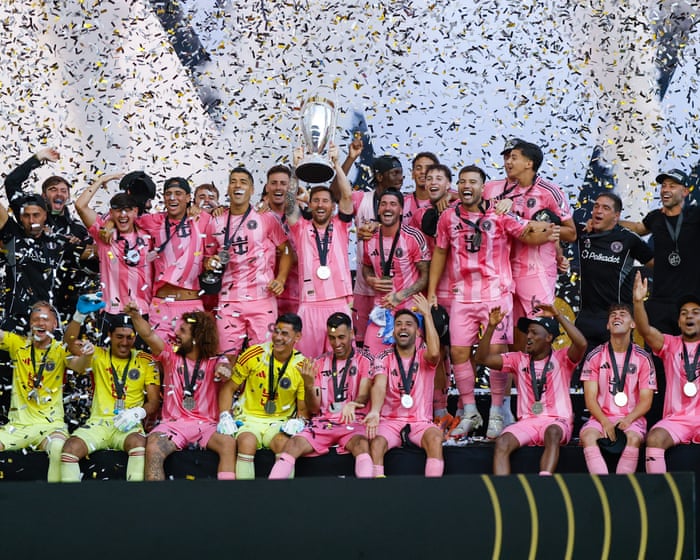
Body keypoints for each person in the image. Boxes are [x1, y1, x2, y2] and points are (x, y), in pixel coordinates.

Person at [428, 165, 558, 440]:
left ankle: (498, 412)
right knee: (459, 353)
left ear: (482, 187)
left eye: (473, 182)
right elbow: (440, 252)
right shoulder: (448, 217)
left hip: (495, 295)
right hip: (463, 296)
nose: (467, 186)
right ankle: (470, 412)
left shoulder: (499, 214)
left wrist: (550, 232)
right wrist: (431, 292)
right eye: (462, 181)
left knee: (497, 353)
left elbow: (527, 233)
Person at [124, 303, 236, 481]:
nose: (176, 333)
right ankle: (155, 496)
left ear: (197, 337)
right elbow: (148, 335)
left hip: (207, 426)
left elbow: (226, 369)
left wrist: (224, 371)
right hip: (173, 425)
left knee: (228, 444)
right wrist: (135, 316)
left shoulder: (215, 360)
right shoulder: (170, 354)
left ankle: (228, 494)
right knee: (153, 447)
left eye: (183, 330)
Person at [484, 138, 576, 349]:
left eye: (514, 158)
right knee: (517, 334)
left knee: (539, 330)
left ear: (529, 163)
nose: (508, 162)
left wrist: (542, 228)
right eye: (507, 158)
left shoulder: (549, 191)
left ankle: (542, 371)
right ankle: (522, 372)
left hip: (537, 271)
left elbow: (571, 233)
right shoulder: (504, 192)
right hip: (508, 273)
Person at [475, 303, 587, 475]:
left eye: (534, 333)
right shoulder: (517, 359)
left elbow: (581, 344)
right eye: (528, 332)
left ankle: (544, 482)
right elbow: (481, 359)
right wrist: (490, 328)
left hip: (557, 421)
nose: (528, 336)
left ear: (549, 337)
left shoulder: (562, 357)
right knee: (502, 442)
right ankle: (503, 489)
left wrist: (558, 315)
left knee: (552, 433)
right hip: (527, 423)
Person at [268, 312, 374, 479]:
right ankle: (272, 489)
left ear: (352, 334)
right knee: (293, 444)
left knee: (361, 444)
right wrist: (309, 385)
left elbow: (364, 394)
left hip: (353, 421)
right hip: (323, 423)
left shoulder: (365, 360)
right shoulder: (319, 362)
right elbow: (314, 408)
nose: (336, 343)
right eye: (332, 338)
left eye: (341, 337)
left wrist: (353, 404)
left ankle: (367, 490)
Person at [60, 307, 160, 482]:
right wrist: (79, 316)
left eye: (129, 337)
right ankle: (71, 498)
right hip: (99, 423)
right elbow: (69, 342)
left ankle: (135, 497)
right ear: (109, 335)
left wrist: (137, 413)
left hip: (128, 424)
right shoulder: (97, 354)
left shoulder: (145, 360)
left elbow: (153, 402)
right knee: (70, 448)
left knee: (139, 444)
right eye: (119, 336)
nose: (124, 342)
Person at [203, 167, 291, 357]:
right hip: (228, 300)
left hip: (262, 298)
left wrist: (281, 279)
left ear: (252, 190)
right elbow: (207, 257)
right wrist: (210, 263)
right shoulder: (215, 221)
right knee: (226, 359)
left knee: (262, 359)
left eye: (243, 182)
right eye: (233, 181)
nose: (238, 185)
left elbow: (286, 250)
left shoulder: (266, 217)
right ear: (228, 189)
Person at [0, 301, 92, 481]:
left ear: (54, 324)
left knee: (59, 447)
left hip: (51, 427)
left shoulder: (60, 350)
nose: (40, 323)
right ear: (30, 323)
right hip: (18, 427)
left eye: (45, 320)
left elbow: (79, 366)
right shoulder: (18, 344)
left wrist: (87, 357)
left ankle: (59, 497)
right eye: (36, 319)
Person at [4, 146, 97, 319]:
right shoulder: (31, 212)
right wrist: (37, 158)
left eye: (63, 190)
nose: (59, 193)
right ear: (44, 196)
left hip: (63, 302)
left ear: (68, 197)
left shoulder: (77, 229)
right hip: (25, 300)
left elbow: (92, 259)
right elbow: (11, 184)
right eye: (53, 189)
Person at [217, 313, 308, 480]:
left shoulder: (301, 365)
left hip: (279, 421)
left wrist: (299, 421)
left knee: (283, 443)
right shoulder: (254, 354)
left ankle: (283, 494)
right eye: (276, 331)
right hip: (248, 418)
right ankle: (246, 493)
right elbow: (229, 388)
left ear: (297, 337)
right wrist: (224, 415)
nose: (278, 337)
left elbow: (303, 409)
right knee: (247, 442)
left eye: (284, 334)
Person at [285, 145, 355, 358]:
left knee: (340, 362)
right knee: (308, 362)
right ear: (309, 204)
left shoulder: (341, 225)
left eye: (325, 201)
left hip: (339, 302)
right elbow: (289, 204)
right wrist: (295, 168)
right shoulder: (301, 228)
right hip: (309, 305)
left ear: (333, 206)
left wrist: (336, 164)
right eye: (316, 200)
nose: (320, 205)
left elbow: (347, 195)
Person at [365, 294, 445, 477]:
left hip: (420, 422)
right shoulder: (383, 358)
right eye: (399, 324)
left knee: (435, 438)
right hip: (390, 421)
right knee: (376, 443)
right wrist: (375, 411)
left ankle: (433, 489)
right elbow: (379, 385)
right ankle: (377, 488)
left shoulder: (424, 355)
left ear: (417, 331)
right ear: (393, 331)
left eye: (409, 324)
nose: (403, 327)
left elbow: (435, 353)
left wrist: (427, 315)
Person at [632, 273, 700, 473]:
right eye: (684, 313)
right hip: (676, 420)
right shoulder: (669, 344)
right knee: (654, 438)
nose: (689, 316)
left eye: (695, 312)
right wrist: (638, 302)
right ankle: (658, 491)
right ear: (678, 322)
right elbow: (645, 330)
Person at [579, 304, 656, 474]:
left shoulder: (643, 358)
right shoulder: (595, 355)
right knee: (588, 437)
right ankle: (602, 484)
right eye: (613, 315)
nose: (617, 317)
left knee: (633, 439)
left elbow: (646, 401)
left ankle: (622, 485)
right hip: (600, 418)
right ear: (608, 325)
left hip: (632, 418)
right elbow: (590, 399)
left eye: (623, 314)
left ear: (633, 324)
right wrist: (605, 422)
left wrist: (628, 419)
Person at [622, 169, 700, 335]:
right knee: (657, 349)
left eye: (672, 186)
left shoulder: (695, 215)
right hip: (660, 301)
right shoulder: (656, 217)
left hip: (691, 303)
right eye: (664, 186)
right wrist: (611, 221)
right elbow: (638, 228)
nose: (665, 190)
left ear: (685, 192)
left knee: (691, 350)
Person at [74, 175, 154, 334]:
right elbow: (80, 206)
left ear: (135, 211)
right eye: (118, 210)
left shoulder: (150, 234)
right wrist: (101, 180)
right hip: (111, 312)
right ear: (111, 212)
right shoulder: (104, 235)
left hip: (142, 311)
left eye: (128, 210)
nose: (123, 214)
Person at [138, 177, 213, 342]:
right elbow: (125, 218)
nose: (172, 198)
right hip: (160, 306)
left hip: (191, 305)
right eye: (168, 194)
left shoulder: (203, 219)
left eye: (178, 193)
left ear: (188, 198)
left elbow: (229, 216)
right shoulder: (153, 220)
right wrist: (109, 224)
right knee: (159, 355)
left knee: (191, 356)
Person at [576, 193, 653, 351]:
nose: (598, 211)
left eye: (605, 208)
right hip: (586, 318)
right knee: (584, 366)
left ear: (616, 216)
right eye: (596, 206)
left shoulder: (629, 239)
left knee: (616, 366)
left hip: (616, 318)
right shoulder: (584, 233)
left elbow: (655, 264)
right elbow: (559, 230)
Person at [362, 189, 430, 356]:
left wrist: (401, 295)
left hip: (409, 312)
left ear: (400, 210)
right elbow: (366, 266)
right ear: (378, 209)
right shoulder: (369, 238)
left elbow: (425, 276)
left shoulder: (413, 237)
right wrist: (370, 279)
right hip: (380, 311)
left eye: (393, 204)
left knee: (407, 365)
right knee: (371, 360)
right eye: (383, 204)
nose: (387, 208)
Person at [0, 194, 69, 331]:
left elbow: (95, 251)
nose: (31, 220)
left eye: (36, 215)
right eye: (26, 216)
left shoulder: (58, 243)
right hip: (15, 321)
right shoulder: (12, 235)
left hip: (46, 323)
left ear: (45, 215)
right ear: (20, 217)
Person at [402, 152, 440, 223]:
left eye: (428, 168)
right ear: (413, 174)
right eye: (418, 168)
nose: (423, 171)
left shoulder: (448, 198)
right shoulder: (402, 203)